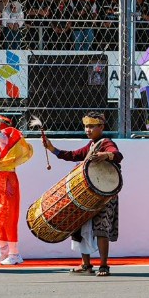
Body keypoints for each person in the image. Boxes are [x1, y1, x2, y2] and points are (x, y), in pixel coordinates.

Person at [42, 112, 123, 277]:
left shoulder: (105, 143)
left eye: (92, 126)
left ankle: (103, 266)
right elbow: (72, 155)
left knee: (101, 230)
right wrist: (51, 148)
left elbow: (118, 155)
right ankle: (86, 265)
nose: (88, 129)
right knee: (79, 227)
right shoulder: (91, 145)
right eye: (86, 126)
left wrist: (106, 155)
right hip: (88, 194)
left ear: (101, 127)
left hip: (104, 197)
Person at [0, 111, 34, 265]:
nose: (1, 131)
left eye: (3, 127)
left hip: (8, 181)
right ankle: (3, 249)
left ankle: (14, 253)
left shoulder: (7, 142)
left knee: (9, 217)